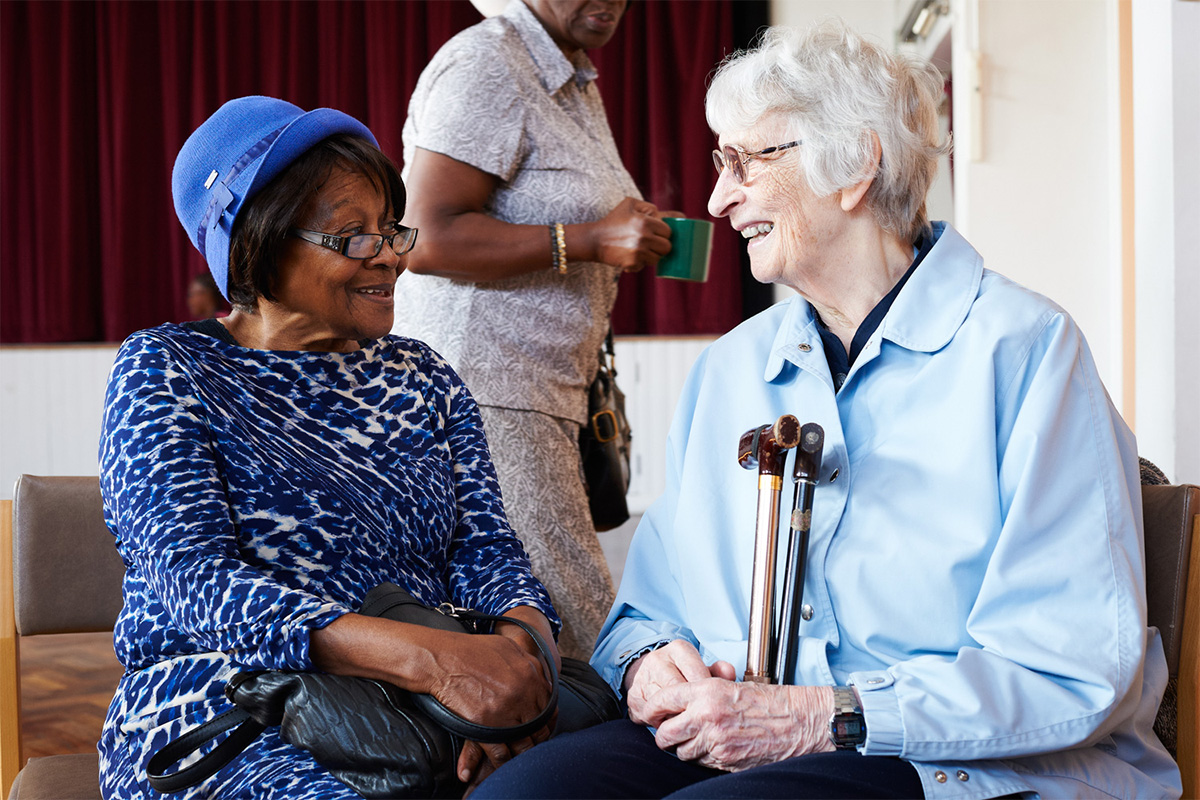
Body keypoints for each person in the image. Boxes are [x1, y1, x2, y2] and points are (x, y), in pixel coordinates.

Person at [472, 20, 1183, 799]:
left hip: (954, 761)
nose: (717, 197)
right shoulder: (730, 370)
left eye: (746, 160)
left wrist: (822, 716)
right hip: (749, 738)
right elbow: (647, 607)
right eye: (719, 161)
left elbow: (1069, 666)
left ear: (855, 167)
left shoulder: (1026, 352)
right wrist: (648, 661)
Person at [98, 96, 561, 799]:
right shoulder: (169, 370)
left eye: (390, 231)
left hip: (428, 713)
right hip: (233, 710)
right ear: (257, 244)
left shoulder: (423, 377)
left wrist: (518, 671)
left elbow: (488, 553)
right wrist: (436, 664)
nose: (391, 260)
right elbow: (198, 584)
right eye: (353, 238)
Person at [393, 0, 673, 660]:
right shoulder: (487, 63)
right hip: (481, 396)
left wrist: (624, 237)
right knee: (578, 634)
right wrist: (592, 239)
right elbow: (421, 236)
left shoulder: (571, 74)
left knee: (540, 630)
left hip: (540, 396)